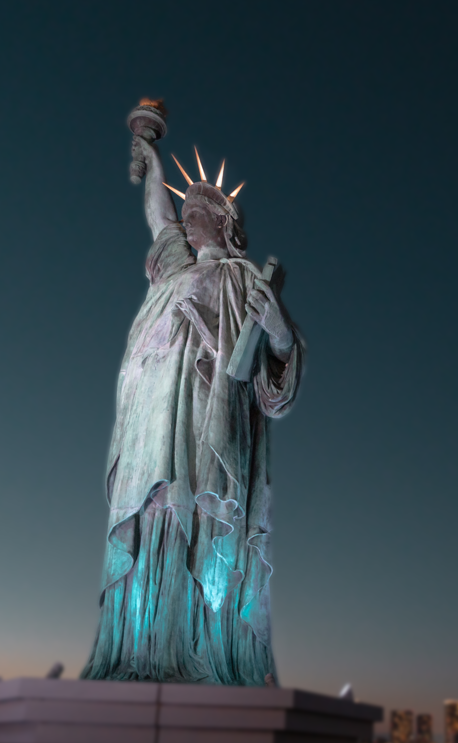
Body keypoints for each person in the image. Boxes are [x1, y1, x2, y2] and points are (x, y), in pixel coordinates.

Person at [81, 130, 303, 686]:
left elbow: (275, 384)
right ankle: (143, 647)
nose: (190, 213)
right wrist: (152, 159)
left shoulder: (245, 278)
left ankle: (204, 647)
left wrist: (279, 334)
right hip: (151, 410)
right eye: (188, 207)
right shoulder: (176, 269)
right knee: (153, 509)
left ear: (228, 226)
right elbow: (158, 218)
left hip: (211, 417)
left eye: (204, 207)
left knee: (205, 515)